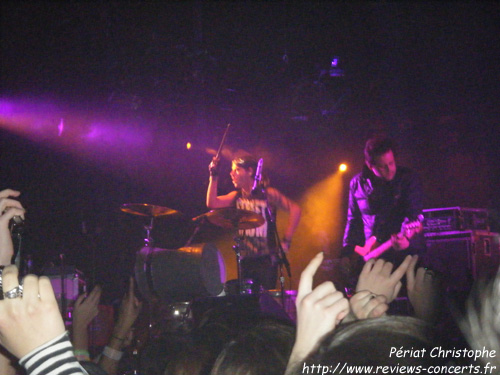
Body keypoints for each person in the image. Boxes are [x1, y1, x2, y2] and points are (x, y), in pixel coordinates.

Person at [207, 155, 301, 291]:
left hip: (267, 259)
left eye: (236, 170)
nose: (231, 173)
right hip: (245, 260)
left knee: (266, 300)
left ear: (250, 171)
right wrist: (213, 177)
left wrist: (287, 239)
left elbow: (295, 209)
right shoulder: (236, 196)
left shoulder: (268, 194)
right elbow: (212, 203)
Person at [342, 136, 425, 273]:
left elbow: (414, 217)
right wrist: (347, 252)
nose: (390, 169)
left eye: (391, 163)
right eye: (383, 166)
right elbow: (353, 220)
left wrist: (407, 239)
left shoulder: (408, 179)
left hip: (406, 255)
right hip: (372, 256)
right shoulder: (357, 184)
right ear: (370, 165)